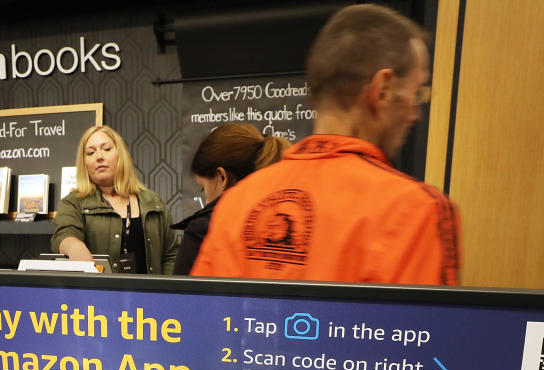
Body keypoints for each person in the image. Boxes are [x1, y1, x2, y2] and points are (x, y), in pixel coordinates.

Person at [191, 4, 460, 285]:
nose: (415, 113)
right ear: (383, 89)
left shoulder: (236, 203)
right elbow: (423, 329)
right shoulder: (416, 212)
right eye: (416, 93)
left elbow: (204, 322)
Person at [51, 125, 178, 274]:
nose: (99, 156)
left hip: (150, 296)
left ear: (120, 155)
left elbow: (171, 255)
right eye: (91, 152)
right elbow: (63, 235)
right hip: (99, 295)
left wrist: (164, 292)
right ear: (84, 163)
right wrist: (73, 246)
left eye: (106, 149)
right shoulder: (73, 202)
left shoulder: (153, 201)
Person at [173, 124, 289, 275]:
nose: (206, 202)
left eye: (204, 190)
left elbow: (183, 296)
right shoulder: (287, 225)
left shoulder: (204, 229)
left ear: (222, 177)